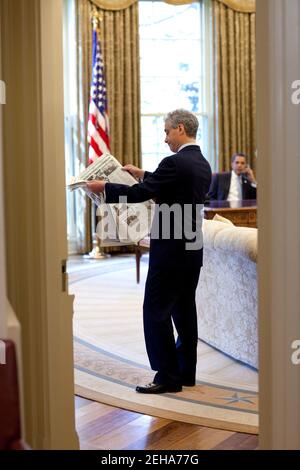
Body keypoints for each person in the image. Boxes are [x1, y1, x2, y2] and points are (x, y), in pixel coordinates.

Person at [87, 109, 212, 394]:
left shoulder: (174, 162)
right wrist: (143, 174)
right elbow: (171, 186)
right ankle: (185, 372)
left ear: (180, 128)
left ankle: (167, 377)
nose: (165, 137)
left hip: (170, 248)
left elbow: (139, 194)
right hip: (192, 247)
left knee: (155, 310)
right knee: (184, 310)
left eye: (167, 131)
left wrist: (104, 188)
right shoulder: (202, 163)